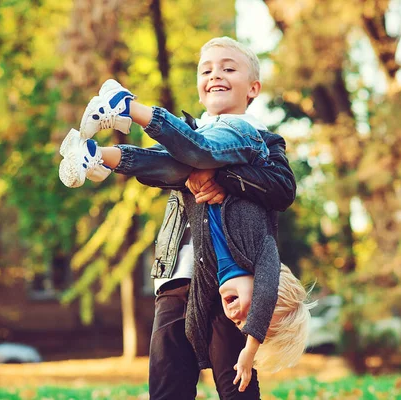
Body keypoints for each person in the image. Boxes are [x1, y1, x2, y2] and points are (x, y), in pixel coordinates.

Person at [59, 37, 313, 398]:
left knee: (235, 386)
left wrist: (220, 177)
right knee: (167, 385)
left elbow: (282, 189)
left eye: (229, 68)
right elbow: (162, 168)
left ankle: (123, 113)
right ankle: (98, 155)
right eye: (207, 69)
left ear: (253, 88)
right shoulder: (191, 134)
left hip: (224, 285)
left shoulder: (261, 140)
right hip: (178, 274)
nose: (215, 75)